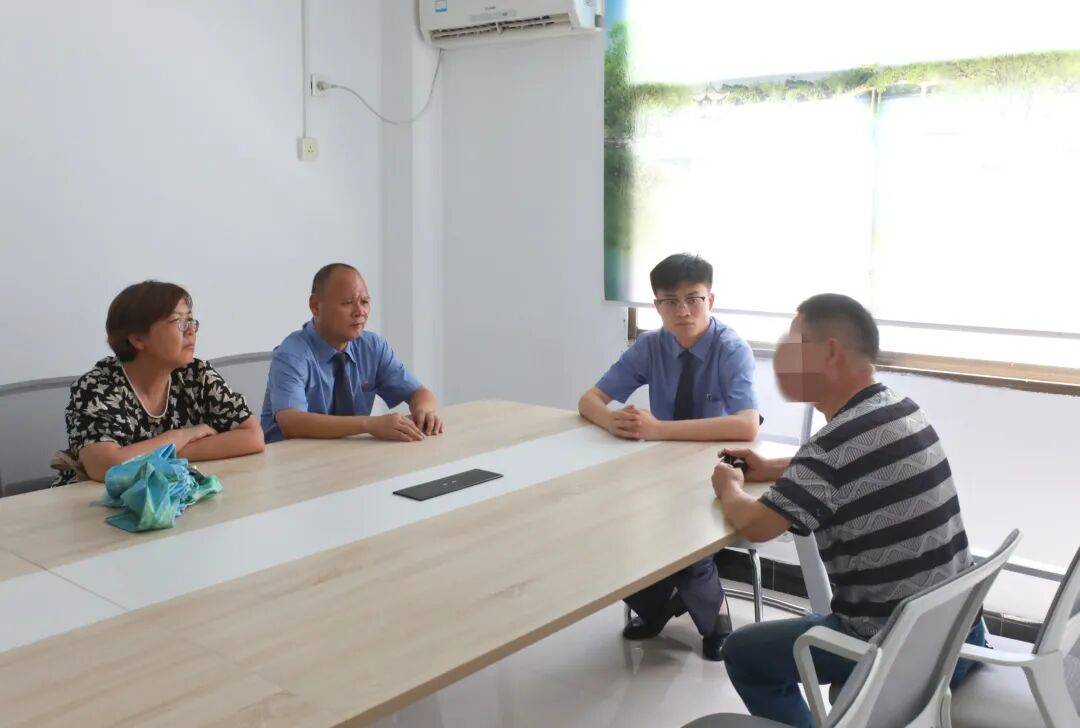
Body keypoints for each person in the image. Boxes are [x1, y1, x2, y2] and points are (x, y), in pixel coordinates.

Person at [712, 293, 985, 728]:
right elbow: (851, 466)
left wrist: (727, 486)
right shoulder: (901, 408)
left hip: (895, 653)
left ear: (830, 353)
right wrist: (775, 466)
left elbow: (757, 525)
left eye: (793, 344)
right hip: (960, 633)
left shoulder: (830, 448)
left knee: (743, 653)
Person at [578, 253, 760, 661]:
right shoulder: (651, 346)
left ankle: (713, 619)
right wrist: (611, 421)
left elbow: (747, 425)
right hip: (658, 466)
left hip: (717, 467)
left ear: (710, 300)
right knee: (612, 525)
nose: (683, 311)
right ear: (656, 305)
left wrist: (658, 429)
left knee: (688, 535)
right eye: (670, 301)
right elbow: (589, 399)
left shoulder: (731, 349)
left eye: (693, 299)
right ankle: (663, 603)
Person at [53, 281, 264, 485]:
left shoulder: (196, 374)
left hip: (175, 494)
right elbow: (105, 466)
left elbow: (252, 437)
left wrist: (160, 453)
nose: (191, 330)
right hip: (93, 502)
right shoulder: (97, 387)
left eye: (191, 321)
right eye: (178, 321)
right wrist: (181, 436)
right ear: (138, 339)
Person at [261, 263, 443, 444]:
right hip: (291, 457)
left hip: (348, 454)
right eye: (348, 303)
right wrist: (369, 424)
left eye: (364, 302)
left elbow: (419, 392)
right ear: (315, 306)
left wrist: (424, 412)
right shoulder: (291, 354)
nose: (360, 312)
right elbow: (292, 422)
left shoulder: (372, 347)